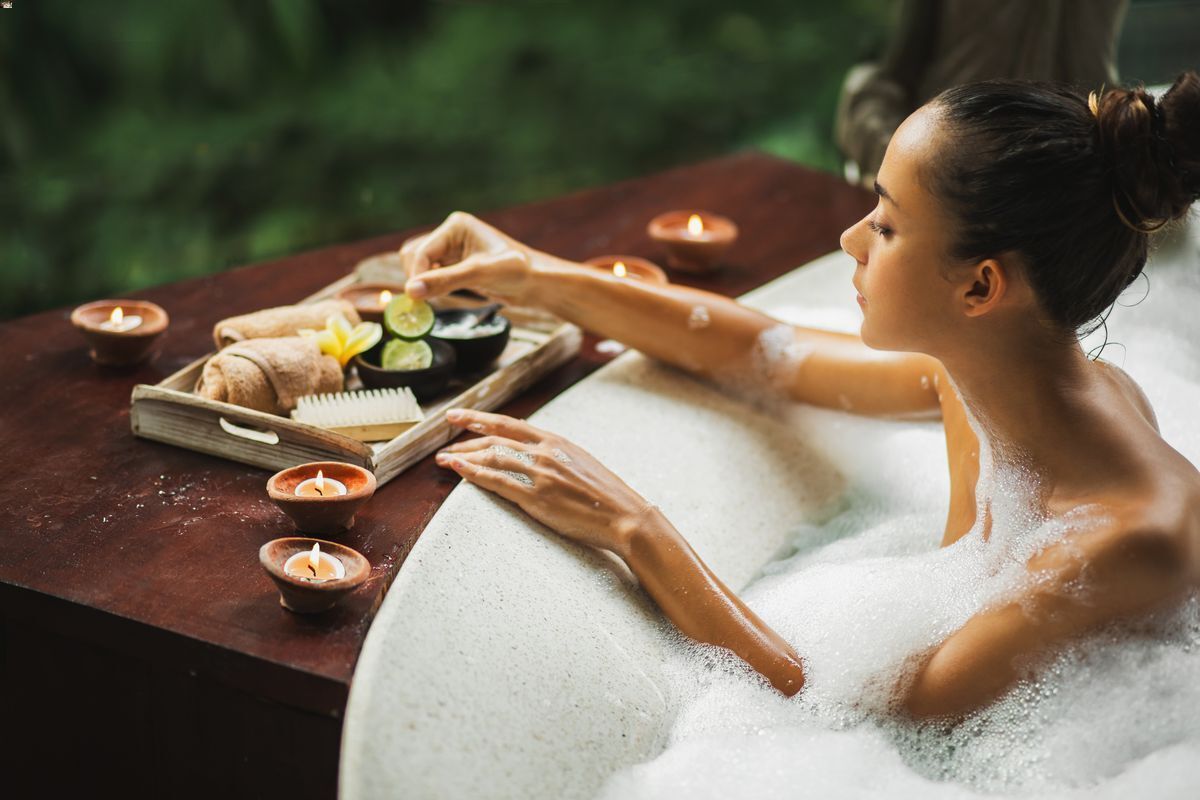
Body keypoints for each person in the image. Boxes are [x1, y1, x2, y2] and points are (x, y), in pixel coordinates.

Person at [399, 72, 1200, 720]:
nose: (849, 239)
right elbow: (759, 352)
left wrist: (631, 526)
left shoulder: (1131, 540)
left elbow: (873, 712)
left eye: (886, 227)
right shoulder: (985, 370)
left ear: (982, 286)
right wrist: (533, 275)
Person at [835, 0, 1128, 185]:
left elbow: (1097, 76)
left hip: (1075, 190)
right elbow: (874, 83)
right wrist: (912, 169)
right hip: (947, 175)